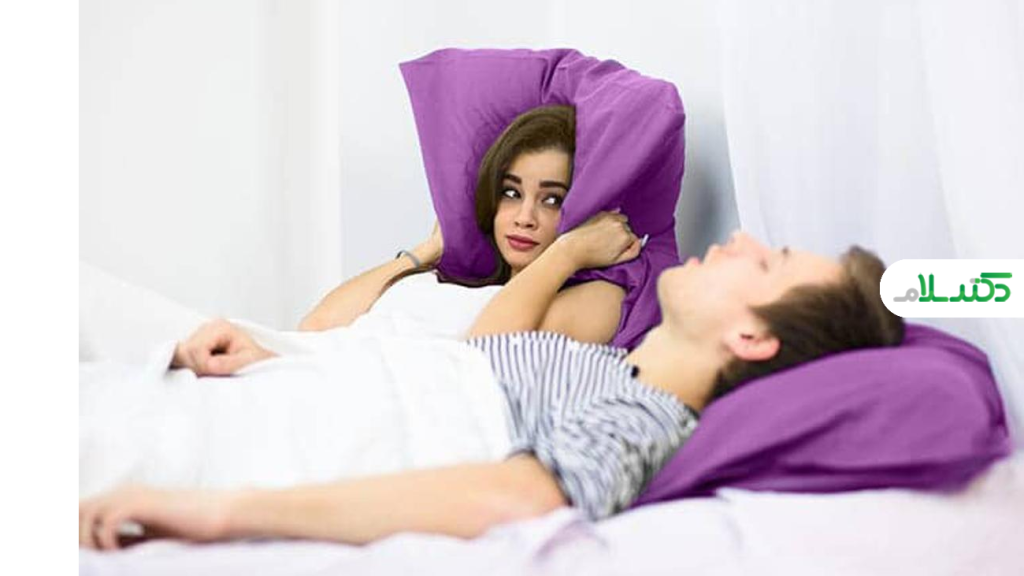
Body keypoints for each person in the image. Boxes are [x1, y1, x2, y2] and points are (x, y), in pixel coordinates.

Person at [78, 231, 905, 550]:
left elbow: (513, 496)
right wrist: (279, 357)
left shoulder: (650, 417)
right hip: (226, 395)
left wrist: (219, 513)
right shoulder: (605, 368)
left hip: (205, 451)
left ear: (752, 339)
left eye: (769, 264)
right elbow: (451, 364)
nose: (742, 238)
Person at [292, 104, 632, 344]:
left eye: (552, 200)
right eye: (511, 193)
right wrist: (430, 248)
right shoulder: (435, 278)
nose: (524, 218)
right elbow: (315, 329)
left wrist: (570, 251)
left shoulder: (598, 297)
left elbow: (487, 353)